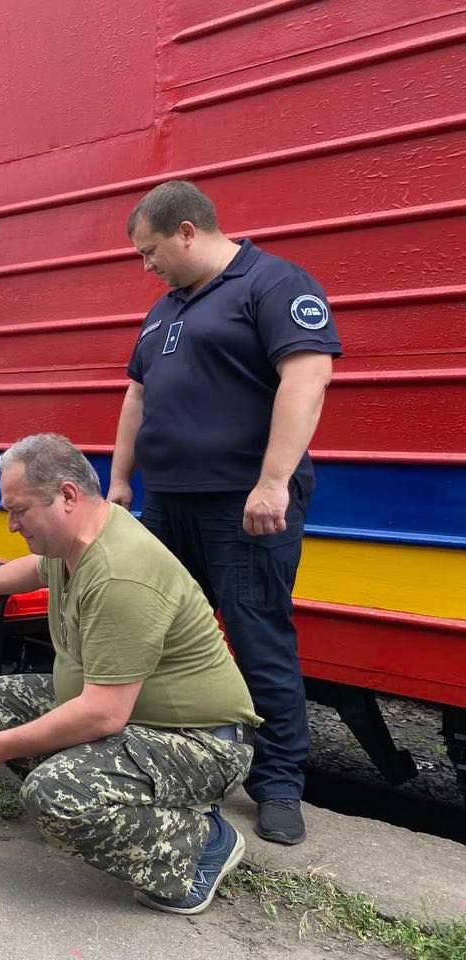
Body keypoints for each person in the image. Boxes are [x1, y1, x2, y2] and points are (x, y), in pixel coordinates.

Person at [0, 433, 259, 915]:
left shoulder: (120, 574)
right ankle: (120, 799)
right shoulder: (81, 537)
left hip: (202, 742)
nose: (11, 525)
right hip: (135, 717)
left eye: (19, 511)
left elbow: (103, 714)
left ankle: (200, 843)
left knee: (52, 795)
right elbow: (34, 568)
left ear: (66, 496)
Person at [108, 180, 340, 845]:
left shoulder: (271, 284)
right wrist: (121, 481)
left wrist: (272, 482)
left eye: (150, 252)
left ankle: (278, 788)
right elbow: (136, 397)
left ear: (187, 231)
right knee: (150, 631)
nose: (145, 267)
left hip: (243, 508)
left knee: (259, 637)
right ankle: (160, 758)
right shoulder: (164, 311)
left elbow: (308, 374)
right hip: (167, 506)